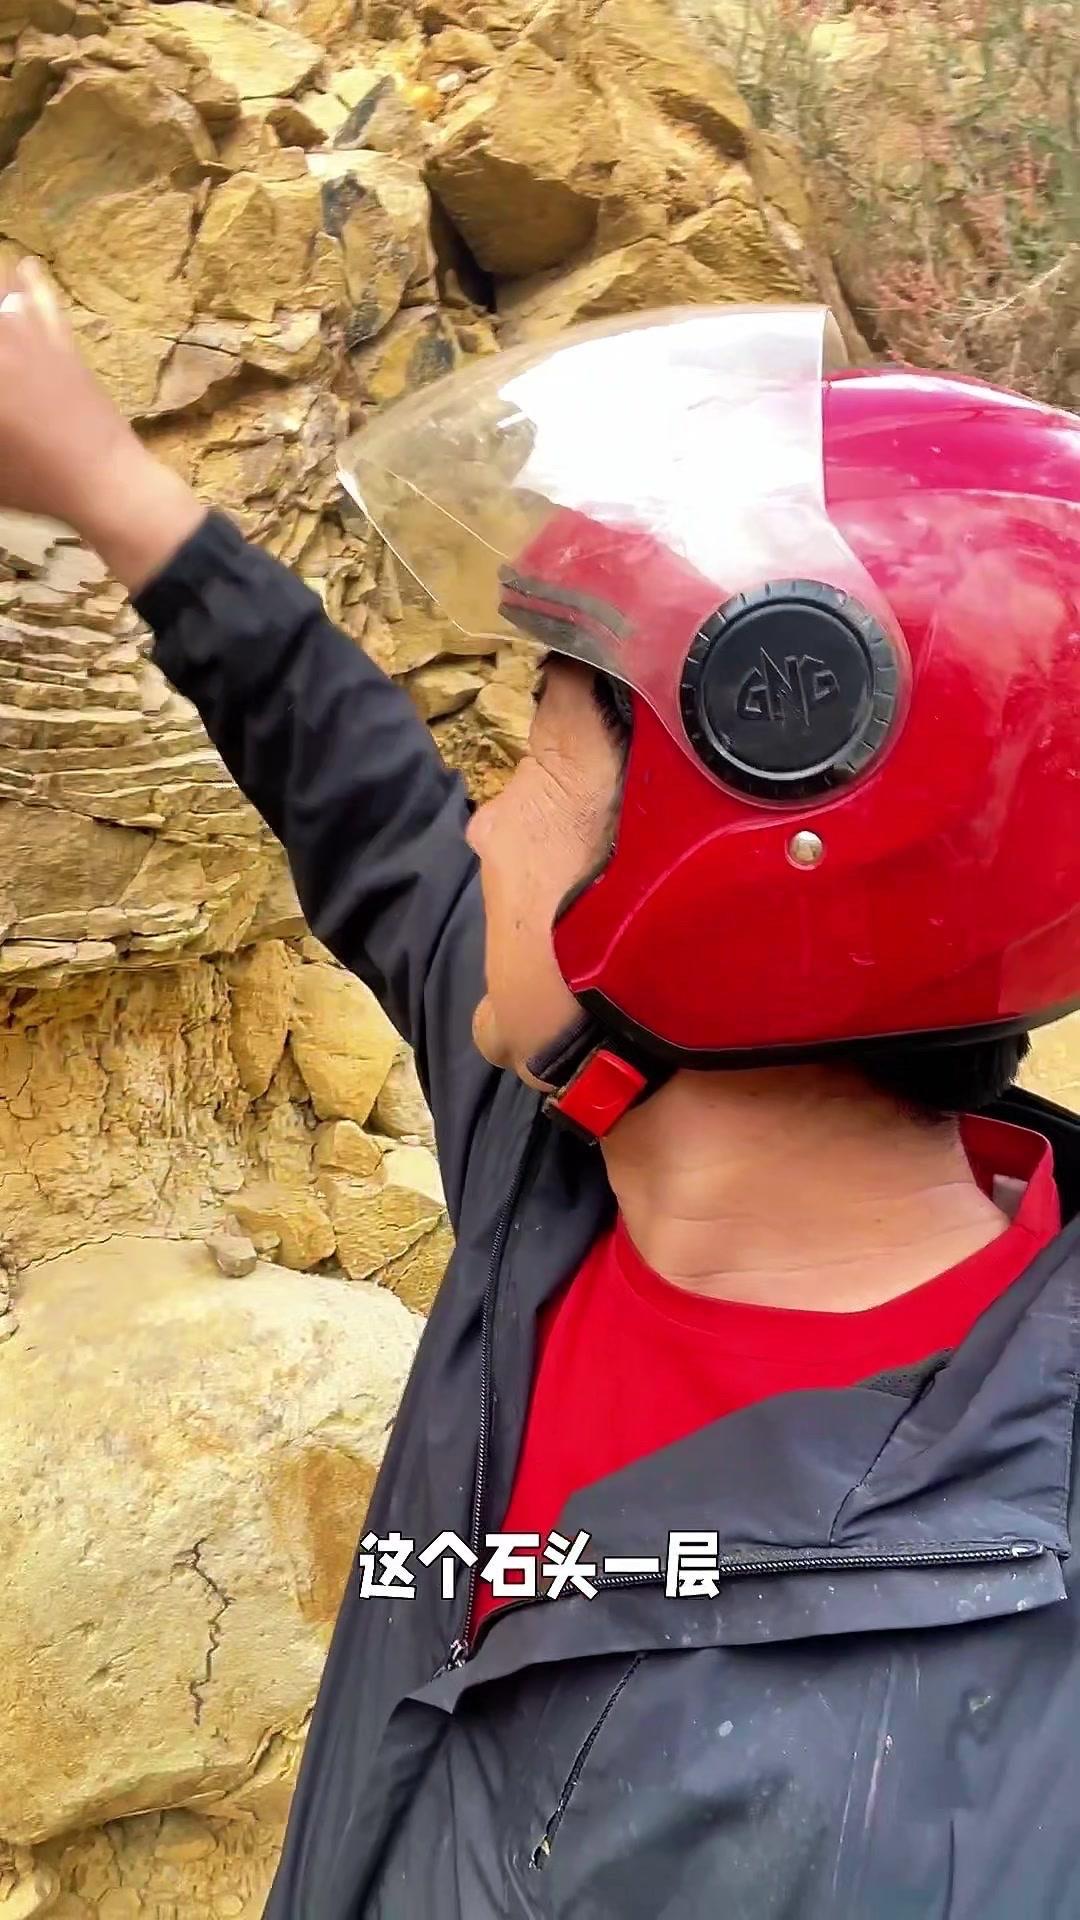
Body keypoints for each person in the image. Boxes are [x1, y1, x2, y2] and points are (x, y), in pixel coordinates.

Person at [2, 268, 1080, 1920]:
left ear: (735, 885)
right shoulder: (583, 1157)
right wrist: (105, 483)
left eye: (534, 763)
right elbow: (364, 800)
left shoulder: (981, 1739)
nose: (483, 830)